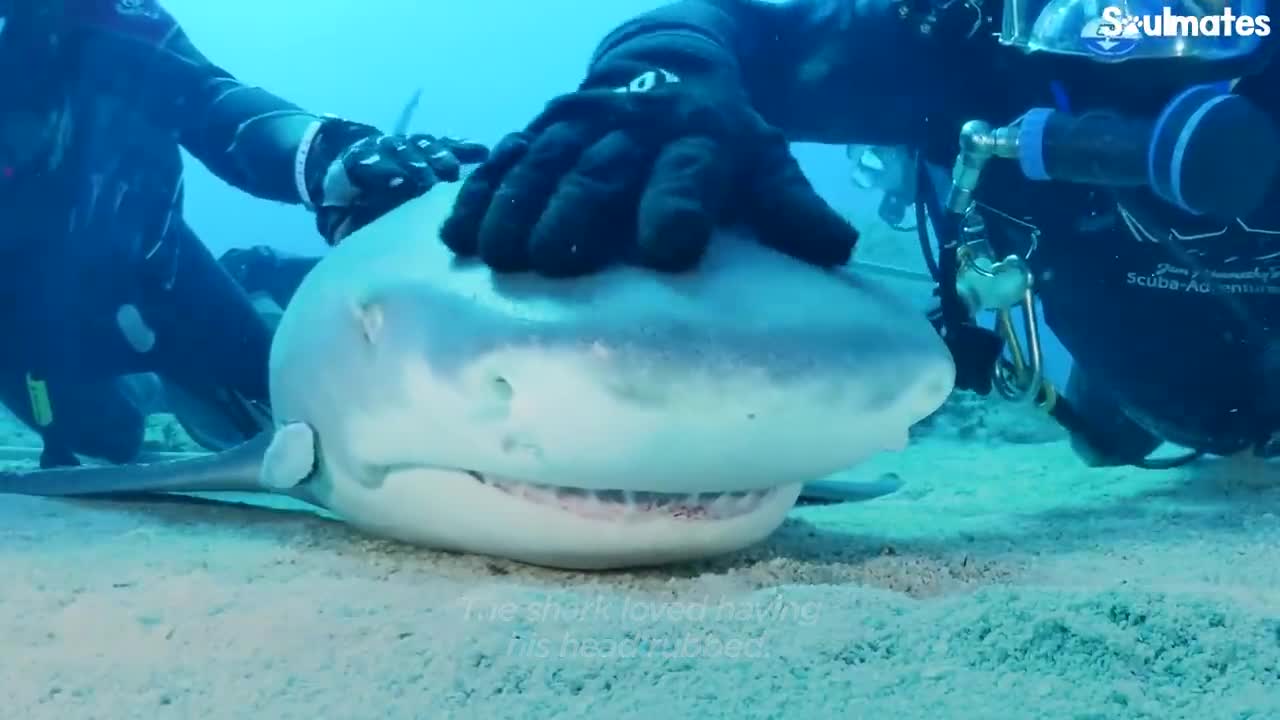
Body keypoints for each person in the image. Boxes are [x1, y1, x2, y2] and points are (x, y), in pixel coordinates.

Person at [429, 0, 1280, 469]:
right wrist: (664, 63)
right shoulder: (959, 52)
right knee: (1187, 422)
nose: (1158, 23)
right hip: (1155, 358)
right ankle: (1107, 402)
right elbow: (735, 25)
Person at [0, 0, 487, 467]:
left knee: (289, 413)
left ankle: (252, 273)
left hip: (157, 273)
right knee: (109, 439)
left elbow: (212, 101)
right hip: (27, 323)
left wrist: (333, 155)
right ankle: (145, 386)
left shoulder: (108, 18)